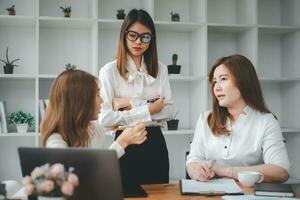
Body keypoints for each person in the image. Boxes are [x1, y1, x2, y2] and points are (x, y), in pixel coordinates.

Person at [186, 54, 290, 182]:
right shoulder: (205, 118)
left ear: (243, 81)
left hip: (247, 193)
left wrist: (227, 171)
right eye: (214, 81)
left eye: (223, 79)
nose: (217, 87)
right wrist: (195, 170)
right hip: (209, 192)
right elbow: (193, 160)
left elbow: (280, 171)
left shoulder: (266, 121)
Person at [99, 9, 173, 184]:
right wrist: (150, 108)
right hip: (125, 143)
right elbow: (106, 118)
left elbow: (169, 111)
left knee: (159, 194)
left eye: (145, 36)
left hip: (155, 144)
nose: (139, 41)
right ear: (124, 35)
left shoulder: (161, 69)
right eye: (133, 35)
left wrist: (131, 103)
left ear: (152, 38)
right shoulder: (109, 71)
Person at [40, 69, 147, 158]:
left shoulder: (94, 129)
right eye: (97, 95)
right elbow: (82, 174)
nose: (102, 101)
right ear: (79, 101)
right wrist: (122, 142)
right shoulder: (55, 140)